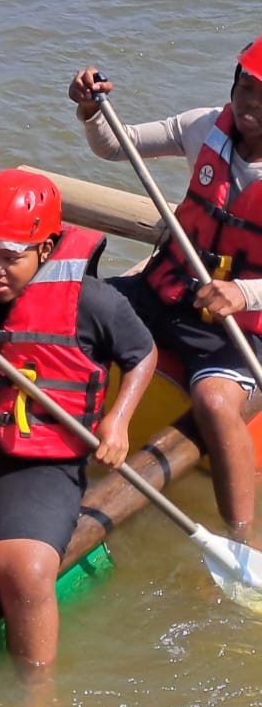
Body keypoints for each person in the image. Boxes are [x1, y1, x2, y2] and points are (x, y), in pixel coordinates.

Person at [0, 170, 155, 680]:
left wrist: (118, 422)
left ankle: (35, 697)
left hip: (38, 455)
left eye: (9, 257)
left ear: (46, 247)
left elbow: (141, 354)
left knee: (25, 568)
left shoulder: (93, 302)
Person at [70, 42, 262, 543]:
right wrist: (91, 111)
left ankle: (242, 540)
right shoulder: (205, 127)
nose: (251, 103)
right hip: (169, 290)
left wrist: (245, 293)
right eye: (246, 87)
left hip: (241, 326)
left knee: (215, 402)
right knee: (67, 305)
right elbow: (117, 145)